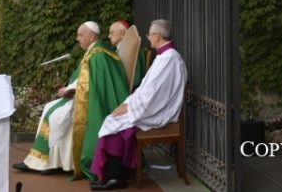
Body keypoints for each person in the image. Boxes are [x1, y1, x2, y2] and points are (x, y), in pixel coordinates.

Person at [13, 21, 130, 180]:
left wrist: (69, 90)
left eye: (80, 35)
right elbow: (86, 80)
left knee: (55, 115)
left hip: (91, 103)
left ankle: (51, 163)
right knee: (49, 108)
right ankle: (46, 161)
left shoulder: (98, 55)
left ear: (92, 37)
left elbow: (91, 85)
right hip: (83, 97)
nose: (77, 39)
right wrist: (68, 89)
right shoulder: (93, 51)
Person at [89, 19, 187, 191]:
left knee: (114, 123)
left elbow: (152, 94)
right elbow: (146, 88)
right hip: (152, 107)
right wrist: (128, 103)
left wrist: (130, 107)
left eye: (149, 35)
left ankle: (115, 177)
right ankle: (117, 173)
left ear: (157, 36)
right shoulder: (165, 56)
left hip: (160, 111)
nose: (148, 38)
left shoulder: (169, 59)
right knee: (113, 119)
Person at [108, 20, 145, 89]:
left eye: (112, 33)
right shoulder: (120, 49)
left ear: (122, 33)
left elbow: (135, 79)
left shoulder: (132, 49)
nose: (109, 36)